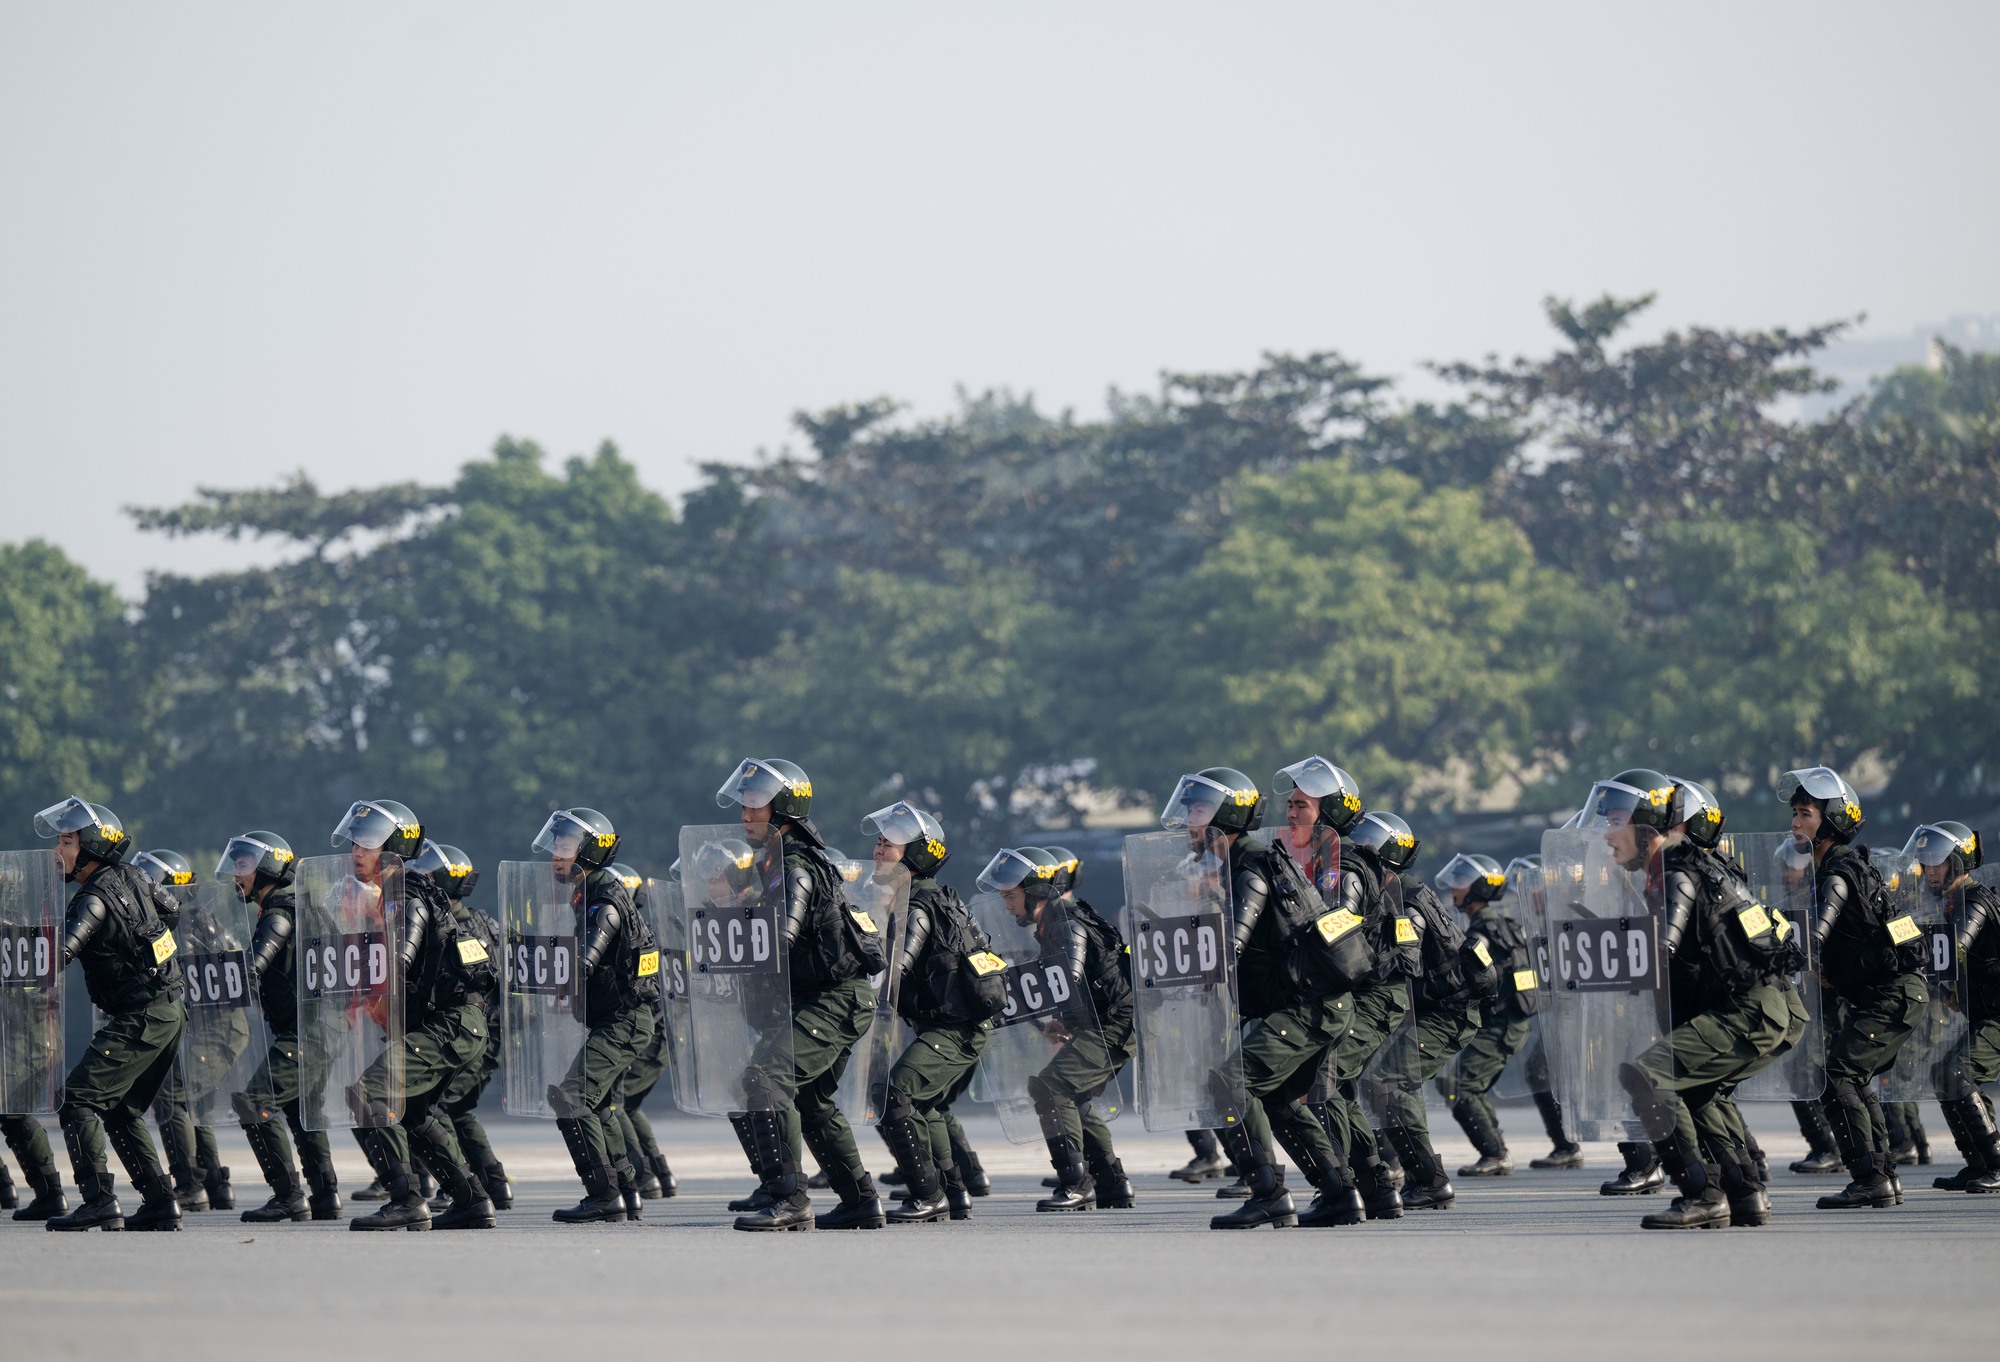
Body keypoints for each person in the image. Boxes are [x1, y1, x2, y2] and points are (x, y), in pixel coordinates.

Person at [1162, 768, 1371, 1230]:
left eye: (1197, 810)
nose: (1188, 821)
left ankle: (1269, 1193)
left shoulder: (1251, 864)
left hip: (1310, 1004)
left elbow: (1229, 946)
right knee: (1276, 1098)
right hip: (1314, 1003)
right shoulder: (1234, 864)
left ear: (1226, 816)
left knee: (1229, 1083)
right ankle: (1340, 1195)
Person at [1595, 770, 1793, 1229]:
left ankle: (1702, 1193)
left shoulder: (1676, 871)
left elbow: (1662, 945)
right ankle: (1744, 1195)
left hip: (1745, 1008)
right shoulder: (1680, 867)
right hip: (1751, 1005)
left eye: (1617, 819)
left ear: (1646, 824)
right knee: (1699, 1090)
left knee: (1647, 1075)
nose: (1607, 833)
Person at [719, 759, 888, 1231]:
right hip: (828, 997)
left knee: (766, 1078)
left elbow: (783, 935)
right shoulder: (776, 861)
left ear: (784, 810)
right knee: (811, 1101)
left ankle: (790, 1199)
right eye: (745, 806)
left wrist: (744, 945)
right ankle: (860, 1202)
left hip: (837, 998)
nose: (746, 815)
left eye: (755, 805)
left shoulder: (794, 865)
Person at [337, 804, 497, 1232]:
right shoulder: (395, 894)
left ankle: (406, 1199)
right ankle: (471, 1202)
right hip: (450, 1022)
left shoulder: (406, 895)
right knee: (412, 1112)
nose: (357, 851)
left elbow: (398, 959)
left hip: (453, 1021)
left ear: (394, 849)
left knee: (369, 1092)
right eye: (355, 841)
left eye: (367, 842)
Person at [35, 797, 188, 1231]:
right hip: (170, 1010)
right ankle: (161, 1202)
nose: (57, 851)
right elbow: (173, 911)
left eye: (65, 841)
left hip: (140, 1017)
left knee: (78, 1099)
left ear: (90, 847)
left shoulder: (92, 898)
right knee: (119, 1108)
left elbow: (59, 953)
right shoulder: (136, 875)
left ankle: (98, 1199)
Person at [1784, 767, 1930, 1210]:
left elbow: (1817, 935)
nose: (1794, 822)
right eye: (1794, 813)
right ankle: (1882, 1176)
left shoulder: (1837, 875)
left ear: (1828, 823)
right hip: (1897, 992)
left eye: (1805, 814)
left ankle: (1870, 1176)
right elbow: (1899, 936)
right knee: (1854, 1078)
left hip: (1894, 995)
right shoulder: (1855, 869)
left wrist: (1795, 956)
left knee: (1838, 1076)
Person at [1277, 760, 1410, 1221]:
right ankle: (1375, 1188)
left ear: (1328, 812)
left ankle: (1350, 1189)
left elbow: (1339, 926)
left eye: (1301, 805)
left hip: (1369, 992)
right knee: (1336, 1088)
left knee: (1323, 1085)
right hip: (1360, 990)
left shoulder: (1343, 867)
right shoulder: (1319, 861)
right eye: (1289, 804)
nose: (1290, 813)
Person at [865, 802, 1002, 1223]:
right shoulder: (931, 898)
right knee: (923, 1106)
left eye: (888, 845)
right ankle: (954, 1194)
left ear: (915, 856)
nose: (877, 850)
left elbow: (894, 968)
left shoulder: (918, 906)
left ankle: (928, 1194)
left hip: (957, 1026)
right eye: (879, 842)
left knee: (894, 1093)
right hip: (954, 1023)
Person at [980, 844, 1135, 1212]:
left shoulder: (1066, 924)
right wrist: (1063, 1020)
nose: (1006, 904)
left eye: (1011, 896)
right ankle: (1112, 1184)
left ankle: (1075, 1183)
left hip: (1115, 1024)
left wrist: (1063, 1014)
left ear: (1034, 891)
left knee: (1049, 1087)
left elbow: (1070, 975)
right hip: (1108, 1020)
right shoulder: (1055, 921)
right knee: (1073, 1095)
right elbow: (1071, 984)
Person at [529, 812, 661, 1224]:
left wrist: (559, 970)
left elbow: (591, 949)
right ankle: (624, 1190)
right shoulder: (591, 892)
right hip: (618, 1018)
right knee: (599, 1104)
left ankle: (602, 1194)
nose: (556, 856)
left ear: (589, 851)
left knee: (573, 1097)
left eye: (565, 848)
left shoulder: (604, 899)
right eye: (556, 847)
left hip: (625, 1019)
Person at [1365, 828, 1498, 1211]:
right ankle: (1415, 1174)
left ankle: (1429, 1180)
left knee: (1389, 1083)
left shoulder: (1406, 903)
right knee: (1392, 1083)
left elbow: (1404, 961)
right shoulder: (1405, 892)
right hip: (1436, 1010)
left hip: (1448, 1012)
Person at [222, 830, 345, 1222]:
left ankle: (288, 1194)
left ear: (267, 869)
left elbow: (255, 965)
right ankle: (325, 1196)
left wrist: (216, 985)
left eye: (243, 865)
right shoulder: (304, 907)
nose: (235, 874)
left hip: (309, 1033)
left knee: (255, 1101)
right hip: (324, 1028)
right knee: (301, 1109)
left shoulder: (278, 912)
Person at [408, 842, 514, 1211]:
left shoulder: (457, 928)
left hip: (473, 1033)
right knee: (458, 1110)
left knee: (438, 1106)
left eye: (423, 875)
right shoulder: (485, 924)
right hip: (487, 1033)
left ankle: (460, 1186)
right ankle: (495, 1183)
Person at [136, 848, 241, 1212]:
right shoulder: (178, 926)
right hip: (205, 1030)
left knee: (171, 1096)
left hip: (219, 1029)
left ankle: (189, 1182)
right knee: (193, 1104)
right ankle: (214, 1182)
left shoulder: (193, 926)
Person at [1907, 822, 2000, 1194]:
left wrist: (1934, 976)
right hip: (1985, 1012)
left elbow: (1957, 945)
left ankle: (1995, 1163)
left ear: (1957, 864)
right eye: (1925, 862)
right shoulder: (1950, 903)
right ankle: (1977, 1161)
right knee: (1945, 1074)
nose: (1928, 870)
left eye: (1936, 862)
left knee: (1956, 1071)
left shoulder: (1974, 900)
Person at [1441, 854, 1536, 1177]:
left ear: (1478, 889)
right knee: (1467, 1084)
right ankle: (1496, 1149)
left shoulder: (1482, 933)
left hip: (1500, 1024)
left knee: (1458, 1086)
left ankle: (1494, 1153)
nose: (1454, 887)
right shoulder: (1501, 925)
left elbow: (1470, 979)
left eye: (1461, 881)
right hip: (1506, 1022)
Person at [605, 861, 676, 1202]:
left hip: (645, 1031)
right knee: (626, 1105)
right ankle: (658, 1173)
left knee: (617, 1104)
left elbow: (648, 992)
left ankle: (643, 1175)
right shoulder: (646, 927)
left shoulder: (638, 932)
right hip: (653, 1032)